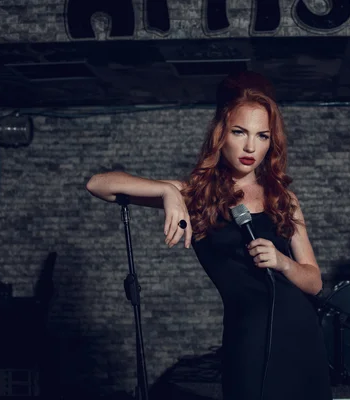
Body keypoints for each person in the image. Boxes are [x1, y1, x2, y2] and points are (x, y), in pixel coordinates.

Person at [86, 71, 333, 400]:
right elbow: (98, 185)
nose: (250, 146)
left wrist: (283, 263)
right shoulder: (196, 196)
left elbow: (314, 282)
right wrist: (166, 191)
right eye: (239, 132)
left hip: (302, 334)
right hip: (246, 336)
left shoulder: (283, 199)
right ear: (221, 134)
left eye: (262, 136)